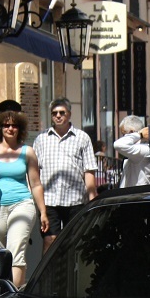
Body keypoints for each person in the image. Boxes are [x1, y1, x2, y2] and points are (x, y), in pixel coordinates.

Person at [0, 109, 47, 289]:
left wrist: (43, 211)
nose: (10, 128)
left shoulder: (28, 152)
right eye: (6, 125)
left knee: (16, 251)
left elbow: (35, 184)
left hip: (22, 204)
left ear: (20, 129)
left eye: (14, 125)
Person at [32, 97, 97, 252]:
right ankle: (48, 276)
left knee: (74, 241)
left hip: (75, 199)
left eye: (62, 112)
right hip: (49, 200)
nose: (58, 116)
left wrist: (92, 199)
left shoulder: (82, 138)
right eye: (55, 113)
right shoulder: (41, 139)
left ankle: (70, 275)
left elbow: (88, 170)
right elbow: (34, 172)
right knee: (50, 240)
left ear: (69, 114)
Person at [114, 115, 150, 187]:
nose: (123, 137)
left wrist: (139, 134)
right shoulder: (135, 149)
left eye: (124, 134)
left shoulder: (144, 149)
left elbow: (118, 144)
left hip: (138, 195)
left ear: (132, 132)